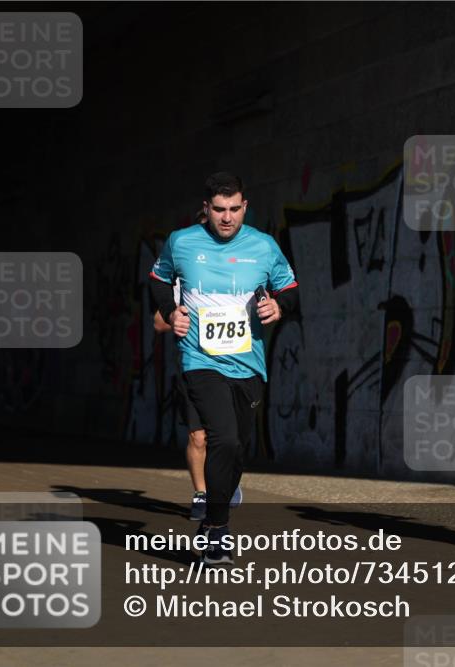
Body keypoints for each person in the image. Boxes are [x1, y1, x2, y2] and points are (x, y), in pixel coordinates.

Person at [149, 172, 298, 564]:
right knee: (223, 439)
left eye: (234, 209)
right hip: (201, 360)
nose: (227, 217)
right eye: (219, 210)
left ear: (245, 207)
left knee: (237, 449)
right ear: (206, 209)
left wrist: (279, 307)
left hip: (249, 365)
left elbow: (290, 288)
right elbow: (158, 280)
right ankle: (217, 531)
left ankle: (213, 521)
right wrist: (171, 311)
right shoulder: (182, 242)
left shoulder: (264, 247)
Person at [152, 210, 241, 521]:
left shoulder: (240, 271)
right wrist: (177, 318)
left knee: (230, 437)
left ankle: (226, 483)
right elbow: (158, 322)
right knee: (198, 436)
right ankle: (202, 493)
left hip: (237, 366)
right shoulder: (183, 278)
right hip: (196, 364)